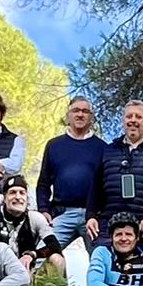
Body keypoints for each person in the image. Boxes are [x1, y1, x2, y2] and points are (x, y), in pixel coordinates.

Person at [86, 100, 143, 245]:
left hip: (142, 226)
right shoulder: (107, 150)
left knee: (139, 267)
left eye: (138, 117)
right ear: (123, 121)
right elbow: (95, 186)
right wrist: (91, 216)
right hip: (107, 225)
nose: (133, 120)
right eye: (129, 116)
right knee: (100, 265)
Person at [36, 97, 106, 261]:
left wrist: (98, 214)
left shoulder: (103, 148)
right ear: (68, 115)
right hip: (62, 214)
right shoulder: (54, 145)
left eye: (85, 111)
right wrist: (44, 210)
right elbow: (44, 182)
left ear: (91, 117)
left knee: (102, 261)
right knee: (39, 257)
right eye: (76, 110)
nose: (80, 115)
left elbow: (107, 186)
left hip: (93, 218)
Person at [0, 176, 52, 270]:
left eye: (22, 193)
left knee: (57, 258)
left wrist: (32, 254)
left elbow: (54, 246)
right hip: (0, 273)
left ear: (27, 198)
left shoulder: (35, 218)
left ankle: (56, 284)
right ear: (4, 198)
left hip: (29, 269)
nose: (18, 197)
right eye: (12, 193)